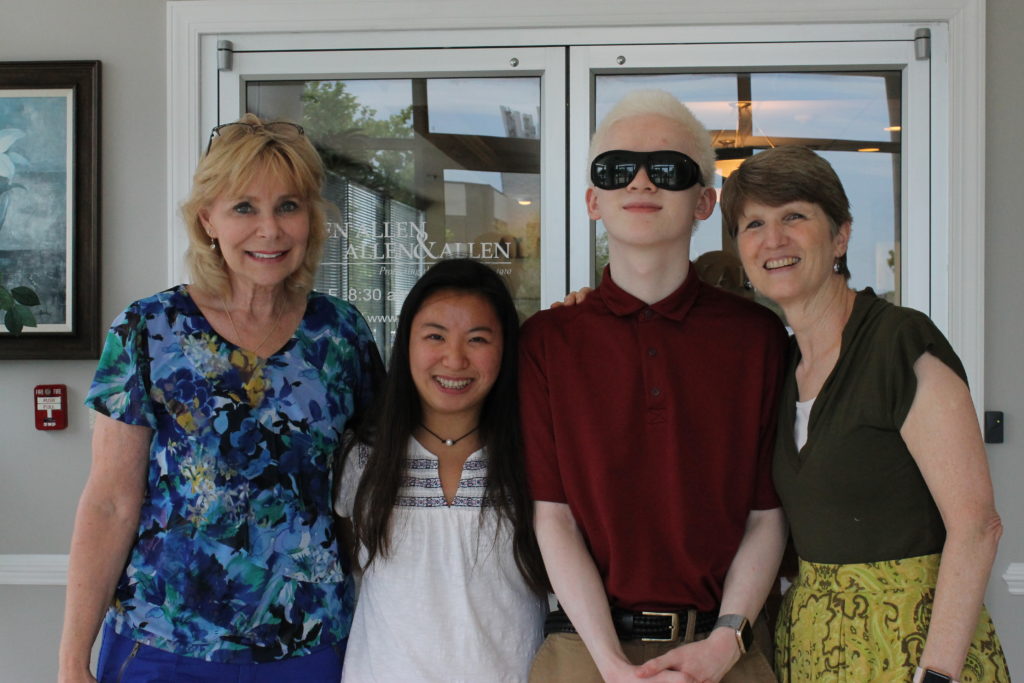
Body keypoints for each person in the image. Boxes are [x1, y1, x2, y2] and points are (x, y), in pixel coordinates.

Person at [58, 114, 382, 682]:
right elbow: (110, 501)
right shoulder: (147, 329)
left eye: (288, 206)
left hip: (310, 645)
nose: (270, 230)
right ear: (207, 219)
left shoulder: (341, 335)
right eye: (244, 208)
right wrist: (70, 662)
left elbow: (369, 486)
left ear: (311, 219)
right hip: (162, 644)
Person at [519, 89, 788, 682]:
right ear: (593, 200)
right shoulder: (545, 341)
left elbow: (766, 516)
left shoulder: (758, 338)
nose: (640, 182)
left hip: (725, 650)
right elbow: (552, 516)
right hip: (584, 652)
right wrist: (613, 667)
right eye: (617, 170)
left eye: (667, 169)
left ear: (703, 202)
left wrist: (724, 645)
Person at [719, 145, 1009, 683]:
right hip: (815, 652)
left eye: (794, 217)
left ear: (841, 235)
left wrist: (937, 675)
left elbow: (977, 526)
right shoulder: (780, 365)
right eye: (753, 223)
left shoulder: (898, 342)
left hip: (913, 653)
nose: (773, 239)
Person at [336, 258, 548, 682]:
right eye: (435, 336)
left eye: (478, 339)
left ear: (505, 348)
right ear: (407, 343)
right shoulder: (364, 456)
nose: (454, 359)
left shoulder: (534, 455)